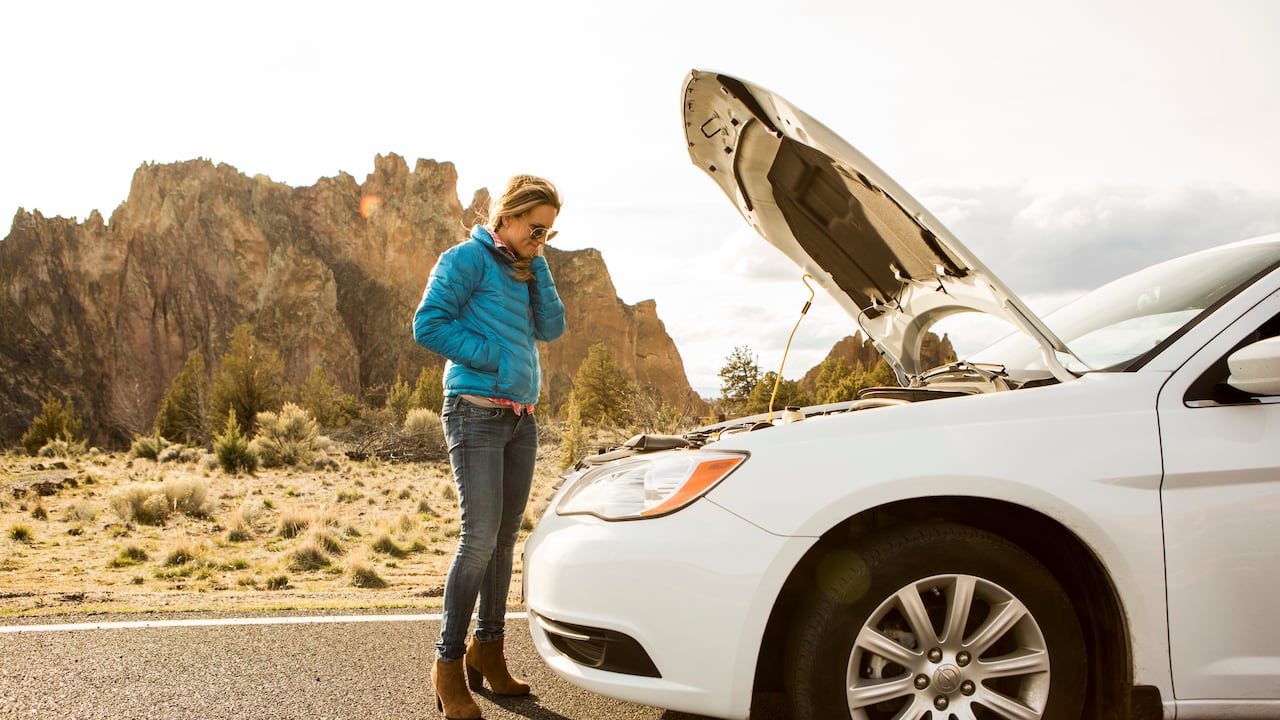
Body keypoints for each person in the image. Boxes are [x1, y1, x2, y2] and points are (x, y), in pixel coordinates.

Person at [412, 175, 565, 719]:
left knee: (504, 543)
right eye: (535, 227)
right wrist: (493, 358)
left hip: (521, 420)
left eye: (549, 230)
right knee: (477, 541)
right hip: (474, 412)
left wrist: (538, 263)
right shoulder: (464, 260)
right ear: (506, 216)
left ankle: (490, 651)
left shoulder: (529, 268)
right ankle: (448, 663)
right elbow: (427, 326)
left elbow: (553, 328)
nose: (542, 236)